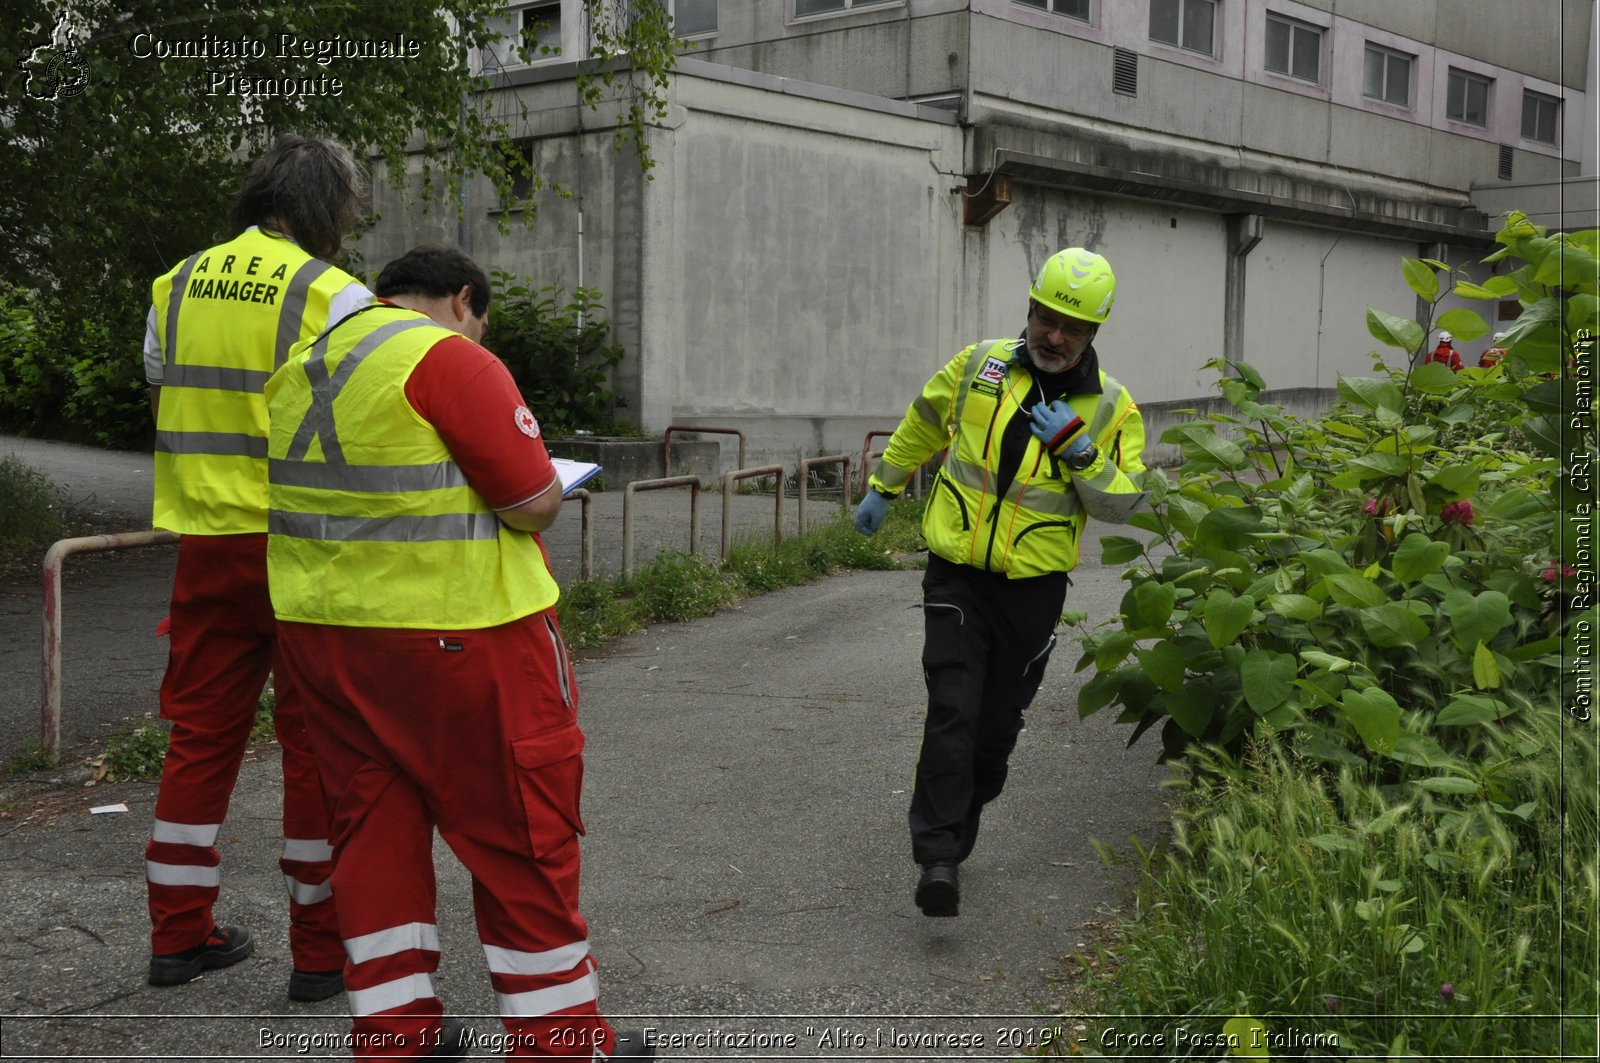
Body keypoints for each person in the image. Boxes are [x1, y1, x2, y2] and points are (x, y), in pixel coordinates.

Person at [264, 246, 652, 1060]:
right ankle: (561, 1044)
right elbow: (533, 503)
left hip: (326, 641)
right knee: (522, 833)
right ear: (464, 301)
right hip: (464, 638)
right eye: (481, 321)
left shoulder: (306, 365)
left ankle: (398, 1034)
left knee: (371, 835)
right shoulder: (450, 359)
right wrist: (549, 482)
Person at [142, 135, 372, 999]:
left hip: (206, 545)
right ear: (329, 211)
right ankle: (319, 955)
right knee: (314, 747)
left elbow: (163, 388)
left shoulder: (179, 281)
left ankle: (177, 937)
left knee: (199, 737)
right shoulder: (335, 294)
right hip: (302, 548)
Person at [853, 247, 1148, 918]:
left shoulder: (1111, 407)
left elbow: (1125, 501)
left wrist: (1079, 450)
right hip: (956, 569)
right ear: (1030, 308)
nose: (1054, 336)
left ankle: (968, 802)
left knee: (992, 729)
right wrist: (885, 485)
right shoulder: (979, 365)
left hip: (1033, 588)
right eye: (1047, 317)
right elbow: (926, 420)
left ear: (1092, 333)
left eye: (1071, 328)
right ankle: (937, 854)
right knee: (952, 705)